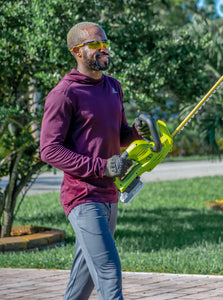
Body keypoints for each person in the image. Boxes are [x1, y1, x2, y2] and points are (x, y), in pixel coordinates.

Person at [40, 22, 150, 300]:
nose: (104, 49)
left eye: (105, 43)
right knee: (108, 269)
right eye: (96, 45)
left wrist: (137, 132)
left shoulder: (113, 86)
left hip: (109, 193)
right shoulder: (64, 93)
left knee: (85, 275)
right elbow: (49, 150)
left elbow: (119, 135)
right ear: (77, 51)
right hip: (82, 195)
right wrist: (101, 167)